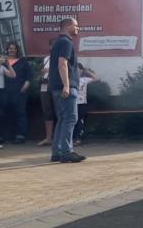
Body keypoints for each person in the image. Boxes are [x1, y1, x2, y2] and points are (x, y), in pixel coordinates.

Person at [49, 18, 85, 163]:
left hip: (56, 87)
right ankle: (66, 152)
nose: (78, 28)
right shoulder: (66, 42)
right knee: (70, 118)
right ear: (67, 26)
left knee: (63, 119)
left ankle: (57, 152)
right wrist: (67, 85)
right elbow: (62, 63)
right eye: (76, 25)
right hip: (65, 87)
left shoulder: (59, 42)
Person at [3, 42, 31, 144]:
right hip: (5, 91)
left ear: (17, 50)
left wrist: (25, 86)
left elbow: (29, 76)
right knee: (7, 113)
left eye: (14, 48)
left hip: (20, 91)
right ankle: (8, 136)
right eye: (10, 48)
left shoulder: (23, 61)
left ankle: (20, 135)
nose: (12, 50)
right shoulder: (3, 62)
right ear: (7, 50)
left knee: (20, 113)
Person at [37, 39, 56, 147]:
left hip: (56, 86)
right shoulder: (46, 58)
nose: (52, 47)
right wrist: (41, 74)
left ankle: (61, 137)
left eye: (55, 45)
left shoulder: (63, 57)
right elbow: (42, 73)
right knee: (47, 111)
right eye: (51, 45)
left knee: (60, 111)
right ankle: (48, 138)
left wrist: (50, 70)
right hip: (45, 85)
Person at [73, 64, 98, 146]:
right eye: (76, 69)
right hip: (72, 102)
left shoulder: (84, 79)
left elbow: (95, 78)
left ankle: (78, 138)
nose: (78, 71)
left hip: (82, 103)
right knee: (73, 120)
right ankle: (72, 138)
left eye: (79, 70)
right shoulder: (70, 79)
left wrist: (86, 71)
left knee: (80, 120)